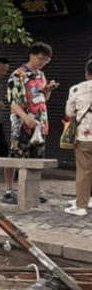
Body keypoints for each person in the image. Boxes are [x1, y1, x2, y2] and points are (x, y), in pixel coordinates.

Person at [3, 42, 59, 204]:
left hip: (40, 121)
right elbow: (13, 102)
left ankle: (31, 190)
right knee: (15, 156)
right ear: (31, 55)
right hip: (22, 122)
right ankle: (9, 190)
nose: (42, 62)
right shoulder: (18, 75)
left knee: (36, 158)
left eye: (46, 60)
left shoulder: (41, 75)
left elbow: (43, 99)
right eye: (41, 58)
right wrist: (25, 117)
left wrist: (47, 90)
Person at [64, 59, 92, 216]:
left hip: (85, 137)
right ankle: (87, 198)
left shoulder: (76, 89)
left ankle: (81, 205)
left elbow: (69, 113)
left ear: (87, 73)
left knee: (84, 170)